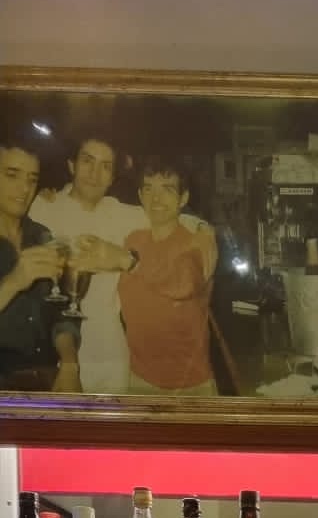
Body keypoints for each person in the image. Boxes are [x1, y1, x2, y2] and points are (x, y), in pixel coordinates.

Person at [29, 131, 140, 393]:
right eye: (87, 161)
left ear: (112, 177)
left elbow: (172, 215)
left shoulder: (120, 213)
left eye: (105, 166)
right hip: (58, 350)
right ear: (72, 165)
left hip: (112, 350)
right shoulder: (43, 208)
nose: (94, 173)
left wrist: (203, 229)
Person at [117, 153, 218, 396]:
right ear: (140, 195)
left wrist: (128, 262)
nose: (156, 198)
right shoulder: (133, 240)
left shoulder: (196, 243)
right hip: (139, 380)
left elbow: (183, 285)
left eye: (167, 190)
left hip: (188, 387)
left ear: (183, 198)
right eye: (148, 189)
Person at [0, 138, 81, 393]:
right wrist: (12, 282)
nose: (24, 188)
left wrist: (69, 363)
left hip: (48, 380)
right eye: (12, 175)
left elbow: (62, 312)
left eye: (32, 179)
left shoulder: (42, 236)